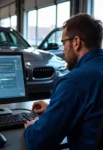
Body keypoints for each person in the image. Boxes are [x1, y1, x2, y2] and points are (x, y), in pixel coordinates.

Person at [24, 13, 103, 150]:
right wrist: (53, 109)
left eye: (63, 43)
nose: (63, 50)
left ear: (76, 42)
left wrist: (31, 128)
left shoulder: (73, 82)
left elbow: (39, 142)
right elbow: (93, 113)